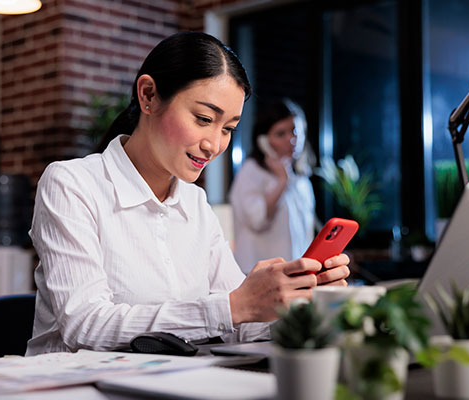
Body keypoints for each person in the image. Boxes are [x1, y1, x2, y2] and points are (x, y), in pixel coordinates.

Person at [26, 32, 349, 356]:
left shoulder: (194, 202)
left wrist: (300, 299)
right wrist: (232, 307)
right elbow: (85, 326)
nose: (213, 144)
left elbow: (242, 322)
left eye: (227, 129)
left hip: (167, 383)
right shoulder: (71, 184)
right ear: (148, 95)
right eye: (204, 119)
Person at [229, 100, 317, 274]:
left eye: (295, 131)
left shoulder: (300, 179)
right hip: (259, 275)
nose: (291, 140)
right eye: (280, 134)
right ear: (263, 140)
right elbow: (257, 220)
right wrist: (281, 182)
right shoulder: (251, 172)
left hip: (295, 274)